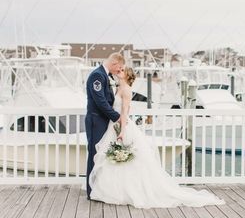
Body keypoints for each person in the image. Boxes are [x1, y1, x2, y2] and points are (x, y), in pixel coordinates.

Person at [88, 67, 225, 208]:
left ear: (127, 75)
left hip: (122, 127)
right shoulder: (118, 88)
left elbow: (124, 112)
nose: (119, 71)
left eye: (122, 70)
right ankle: (113, 189)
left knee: (127, 160)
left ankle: (126, 191)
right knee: (113, 160)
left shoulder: (126, 90)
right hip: (114, 126)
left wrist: (122, 131)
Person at [85, 52, 125, 199]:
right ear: (114, 63)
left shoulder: (104, 75)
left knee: (100, 154)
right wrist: (117, 118)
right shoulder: (97, 76)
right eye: (119, 68)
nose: (119, 71)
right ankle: (91, 191)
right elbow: (100, 101)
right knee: (94, 155)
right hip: (96, 121)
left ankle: (98, 188)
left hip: (102, 121)